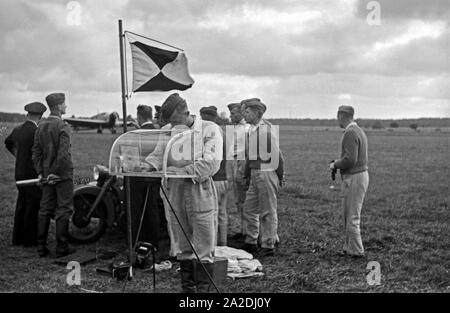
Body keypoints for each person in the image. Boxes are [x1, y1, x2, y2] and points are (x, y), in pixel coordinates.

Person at [144, 93, 222, 293]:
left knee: (203, 245)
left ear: (184, 112)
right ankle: (188, 290)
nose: (171, 124)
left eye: (173, 119)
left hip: (199, 192)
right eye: (168, 122)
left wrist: (180, 172)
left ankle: (203, 292)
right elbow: (158, 155)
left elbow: (210, 163)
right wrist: (145, 166)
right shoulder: (168, 131)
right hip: (174, 193)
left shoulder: (209, 130)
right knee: (182, 243)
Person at [32, 93, 75, 258]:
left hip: (46, 173)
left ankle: (41, 247)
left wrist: (42, 172)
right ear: (58, 107)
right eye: (64, 104)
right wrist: (56, 173)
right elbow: (63, 154)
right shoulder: (63, 126)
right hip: (62, 175)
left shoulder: (41, 125)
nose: (66, 107)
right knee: (64, 209)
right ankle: (62, 247)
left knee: (45, 209)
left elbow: (36, 152)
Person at [240, 98, 284, 257]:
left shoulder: (266, 130)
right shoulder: (251, 130)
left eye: (247, 111)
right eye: (244, 111)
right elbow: (249, 157)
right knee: (249, 208)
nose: (244, 114)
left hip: (266, 171)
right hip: (254, 173)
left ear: (257, 112)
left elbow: (277, 156)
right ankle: (251, 241)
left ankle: (268, 244)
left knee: (267, 210)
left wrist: (280, 176)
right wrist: (247, 175)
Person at [4, 102, 47, 247]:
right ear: (40, 117)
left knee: (21, 204)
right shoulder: (37, 132)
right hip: (32, 174)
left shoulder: (18, 129)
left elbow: (8, 142)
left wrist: (18, 155)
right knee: (32, 206)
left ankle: (17, 238)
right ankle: (29, 240)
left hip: (19, 173)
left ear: (27, 114)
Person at [129, 105, 168, 259]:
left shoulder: (137, 133)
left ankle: (137, 241)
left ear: (139, 116)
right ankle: (153, 241)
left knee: (137, 210)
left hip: (138, 175)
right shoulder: (157, 131)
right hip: (154, 175)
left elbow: (132, 155)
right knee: (151, 209)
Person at [330, 105, 369, 258]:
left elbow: (349, 160)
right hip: (359, 175)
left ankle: (356, 251)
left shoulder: (350, 133)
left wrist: (335, 164)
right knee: (349, 214)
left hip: (354, 177)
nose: (337, 119)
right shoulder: (358, 130)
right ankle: (349, 248)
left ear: (341, 115)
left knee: (352, 216)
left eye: (337, 116)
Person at [200, 105, 228, 247]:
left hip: (214, 179)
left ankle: (214, 245)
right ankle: (223, 243)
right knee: (222, 214)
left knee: (211, 214)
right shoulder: (222, 132)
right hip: (224, 178)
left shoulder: (208, 133)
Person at [226, 102, 250, 242]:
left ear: (241, 113)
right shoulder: (234, 129)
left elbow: (247, 152)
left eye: (233, 113)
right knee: (238, 200)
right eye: (230, 114)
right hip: (234, 163)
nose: (231, 116)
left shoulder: (246, 129)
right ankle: (243, 229)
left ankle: (248, 231)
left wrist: (243, 169)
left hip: (242, 163)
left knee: (245, 199)